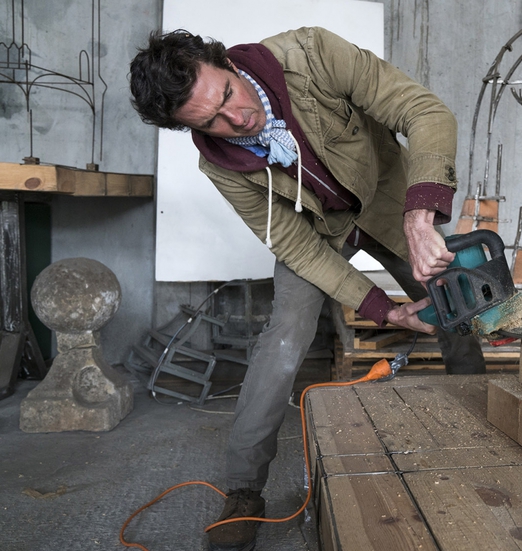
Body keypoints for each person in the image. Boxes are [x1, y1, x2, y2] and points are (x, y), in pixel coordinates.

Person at [129, 27, 485, 551]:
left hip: (389, 200)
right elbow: (296, 248)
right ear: (192, 129)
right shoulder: (220, 166)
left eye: (228, 94)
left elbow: (426, 112)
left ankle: (481, 429)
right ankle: (244, 489)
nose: (238, 119)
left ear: (224, 62)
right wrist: (385, 311)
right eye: (211, 122)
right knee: (283, 338)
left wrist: (420, 212)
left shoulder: (311, 54)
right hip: (318, 231)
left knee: (454, 300)